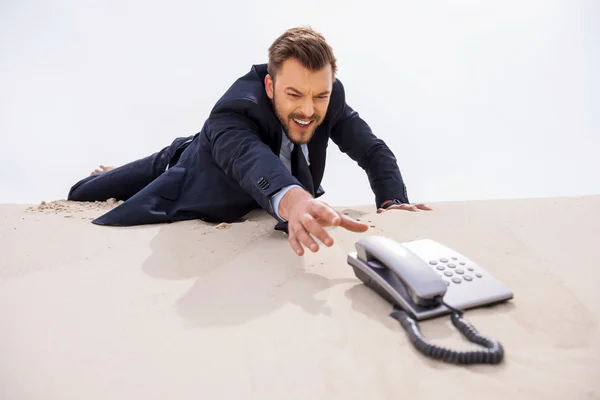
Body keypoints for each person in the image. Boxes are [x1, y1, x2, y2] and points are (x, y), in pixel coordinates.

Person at [68, 26, 431, 256]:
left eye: (319, 95)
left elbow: (373, 150)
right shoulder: (234, 111)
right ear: (270, 86)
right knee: (83, 192)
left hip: (221, 163)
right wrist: (294, 199)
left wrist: (393, 201)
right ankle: (122, 170)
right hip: (185, 167)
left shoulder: (329, 98)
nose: (308, 109)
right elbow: (250, 158)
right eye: (294, 94)